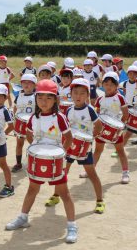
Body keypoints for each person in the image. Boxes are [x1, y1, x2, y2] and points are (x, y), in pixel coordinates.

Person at [5, 80, 77, 244]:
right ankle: (23, 217)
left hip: (56, 162)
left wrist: (60, 154)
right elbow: (29, 135)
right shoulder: (33, 117)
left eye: (48, 98)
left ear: (55, 100)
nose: (44, 101)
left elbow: (69, 138)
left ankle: (72, 226)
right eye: (40, 98)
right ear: (36, 99)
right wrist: (38, 149)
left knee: (64, 194)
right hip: (38, 161)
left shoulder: (59, 117)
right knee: (32, 189)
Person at [45, 78, 105, 214]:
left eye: (82, 93)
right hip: (69, 146)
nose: (78, 96)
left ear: (87, 95)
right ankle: (56, 195)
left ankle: (100, 200)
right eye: (75, 93)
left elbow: (99, 126)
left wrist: (90, 138)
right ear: (70, 94)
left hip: (84, 148)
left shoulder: (90, 109)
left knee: (92, 174)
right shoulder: (69, 110)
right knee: (62, 172)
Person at [93, 72, 130, 184]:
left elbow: (126, 114)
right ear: (102, 85)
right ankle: (91, 171)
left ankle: (125, 173)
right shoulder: (99, 99)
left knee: (120, 151)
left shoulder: (120, 98)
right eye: (106, 84)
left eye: (111, 84)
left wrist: (119, 127)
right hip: (101, 130)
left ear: (116, 85)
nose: (108, 87)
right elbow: (98, 114)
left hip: (116, 131)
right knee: (98, 150)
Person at [11, 74, 36, 173]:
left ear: (34, 85)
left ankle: (34, 162)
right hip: (20, 123)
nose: (26, 84)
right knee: (19, 143)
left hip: (32, 125)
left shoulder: (36, 96)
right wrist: (14, 119)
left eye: (29, 83)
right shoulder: (19, 95)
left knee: (33, 144)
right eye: (24, 82)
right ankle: (18, 163)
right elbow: (15, 107)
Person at [122, 66, 137, 146]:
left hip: (136, 109)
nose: (132, 75)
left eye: (134, 74)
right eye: (130, 73)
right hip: (131, 109)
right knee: (128, 131)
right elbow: (125, 92)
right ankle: (119, 150)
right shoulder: (125, 83)